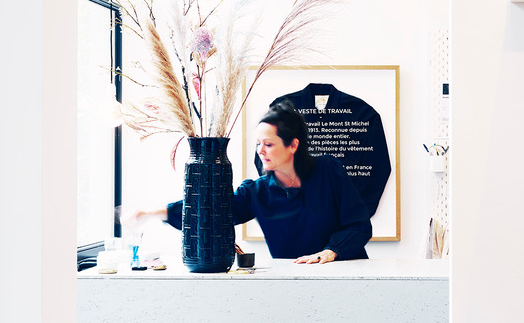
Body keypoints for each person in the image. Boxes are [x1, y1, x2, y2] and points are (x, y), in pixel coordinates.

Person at [133, 101, 372, 264]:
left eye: (268, 144)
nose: (260, 151)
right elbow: (210, 212)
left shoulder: (329, 170)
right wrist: (154, 213)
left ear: (293, 145)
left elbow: (359, 225)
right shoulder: (257, 192)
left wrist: (331, 252)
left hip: (343, 274)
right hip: (292, 283)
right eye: (258, 144)